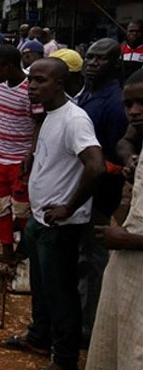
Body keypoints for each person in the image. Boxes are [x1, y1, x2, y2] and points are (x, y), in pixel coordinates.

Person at [0, 58, 104, 370]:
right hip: (40, 218)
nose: (32, 86)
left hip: (61, 224)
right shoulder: (50, 113)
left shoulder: (75, 119)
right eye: (31, 80)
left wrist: (69, 207)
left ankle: (65, 358)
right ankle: (39, 337)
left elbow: (96, 166)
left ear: (60, 83)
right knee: (42, 286)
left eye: (41, 81)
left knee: (61, 294)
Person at [86, 67, 143, 370]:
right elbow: (125, 141)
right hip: (130, 266)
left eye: (141, 103)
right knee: (121, 339)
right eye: (128, 104)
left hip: (132, 246)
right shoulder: (137, 132)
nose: (134, 112)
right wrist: (129, 157)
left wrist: (129, 239)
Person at [76, 38, 128, 347]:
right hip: (82, 189)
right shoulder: (86, 93)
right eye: (90, 57)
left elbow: (115, 158)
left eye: (101, 59)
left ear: (115, 64)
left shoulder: (114, 103)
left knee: (92, 259)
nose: (93, 63)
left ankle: (89, 327)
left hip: (99, 192)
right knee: (81, 258)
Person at [0, 45, 43, 264]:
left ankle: (25, 249)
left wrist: (31, 153)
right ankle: (7, 249)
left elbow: (40, 122)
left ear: (10, 67)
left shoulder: (31, 89)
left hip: (20, 160)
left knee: (22, 209)